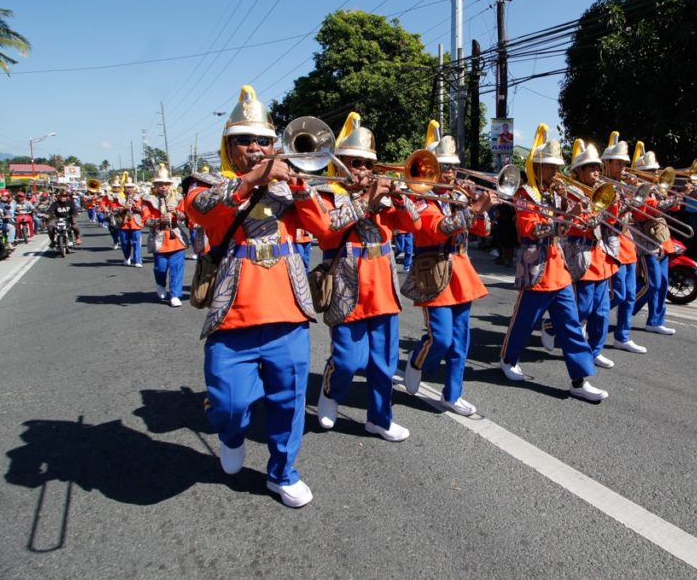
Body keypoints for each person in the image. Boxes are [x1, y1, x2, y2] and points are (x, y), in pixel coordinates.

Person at [182, 85, 317, 508]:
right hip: (233, 319)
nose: (256, 147)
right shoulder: (208, 184)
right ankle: (231, 434)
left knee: (289, 403)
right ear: (228, 147)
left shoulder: (291, 188)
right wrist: (253, 179)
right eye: (245, 140)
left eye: (263, 140)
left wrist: (301, 186)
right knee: (229, 404)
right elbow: (199, 208)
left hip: (288, 314)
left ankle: (282, 473)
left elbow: (326, 227)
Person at [294, 112, 422, 442]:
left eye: (368, 163)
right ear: (339, 163)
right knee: (348, 360)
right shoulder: (325, 192)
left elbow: (414, 225)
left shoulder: (384, 195)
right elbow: (326, 228)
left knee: (384, 363)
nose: (363, 169)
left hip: (383, 291)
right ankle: (331, 391)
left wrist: (401, 198)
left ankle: (380, 419)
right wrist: (366, 201)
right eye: (356, 162)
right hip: (346, 289)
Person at [497, 123, 608, 402]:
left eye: (557, 167)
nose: (555, 172)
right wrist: (565, 219)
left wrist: (579, 210)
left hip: (559, 269)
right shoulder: (524, 195)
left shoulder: (558, 193)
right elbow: (531, 230)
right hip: (535, 266)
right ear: (536, 167)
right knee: (524, 322)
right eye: (549, 167)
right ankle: (508, 359)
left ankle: (579, 379)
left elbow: (575, 224)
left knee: (571, 326)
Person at [403, 123, 495, 416]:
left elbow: (484, 230)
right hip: (433, 272)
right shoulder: (421, 198)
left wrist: (478, 207)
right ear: (430, 169)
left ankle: (452, 395)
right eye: (444, 167)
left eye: (453, 167)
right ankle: (417, 360)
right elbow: (438, 228)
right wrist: (473, 210)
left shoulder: (459, 198)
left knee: (460, 341)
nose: (451, 173)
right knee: (440, 338)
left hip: (461, 272)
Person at [552, 138, 619, 369]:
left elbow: (611, 222)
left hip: (599, 252)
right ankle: (553, 326)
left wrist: (614, 202)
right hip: (578, 251)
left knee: (602, 311)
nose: (596, 173)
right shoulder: (569, 192)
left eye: (597, 168)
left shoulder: (602, 190)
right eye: (590, 168)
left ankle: (594, 350)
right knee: (583, 307)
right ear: (579, 171)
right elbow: (571, 223)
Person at [601, 132, 647, 354]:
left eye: (623, 163)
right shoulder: (601, 186)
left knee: (629, 295)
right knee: (616, 294)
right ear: (607, 163)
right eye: (618, 163)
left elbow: (637, 214)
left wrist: (635, 194)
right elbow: (607, 218)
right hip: (610, 244)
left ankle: (622, 336)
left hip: (627, 243)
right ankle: (579, 320)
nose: (622, 167)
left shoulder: (624, 185)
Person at [633, 149, 676, 336]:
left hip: (662, 240)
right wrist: (667, 201)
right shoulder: (638, 189)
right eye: (650, 171)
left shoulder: (657, 188)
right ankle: (627, 310)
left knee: (663, 284)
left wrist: (679, 196)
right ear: (641, 173)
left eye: (655, 170)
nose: (655, 174)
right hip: (646, 243)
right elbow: (645, 211)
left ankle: (655, 321)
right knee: (652, 284)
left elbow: (674, 207)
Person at [143, 164, 188, 307]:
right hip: (159, 238)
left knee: (177, 267)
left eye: (166, 184)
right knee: (160, 268)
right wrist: (158, 220)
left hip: (176, 238)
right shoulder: (148, 200)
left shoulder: (178, 198)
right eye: (160, 184)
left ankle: (175, 295)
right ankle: (160, 284)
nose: (163, 187)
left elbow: (185, 217)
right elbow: (145, 221)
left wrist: (175, 212)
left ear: (170, 185)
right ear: (155, 186)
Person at [119, 177, 145, 267]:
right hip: (124, 223)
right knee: (124, 242)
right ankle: (127, 257)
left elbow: (144, 210)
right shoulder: (120, 198)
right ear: (124, 189)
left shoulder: (140, 198)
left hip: (136, 223)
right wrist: (123, 208)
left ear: (134, 188)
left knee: (136, 242)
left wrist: (135, 206)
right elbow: (113, 210)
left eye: (131, 187)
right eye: (127, 187)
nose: (129, 189)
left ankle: (137, 260)